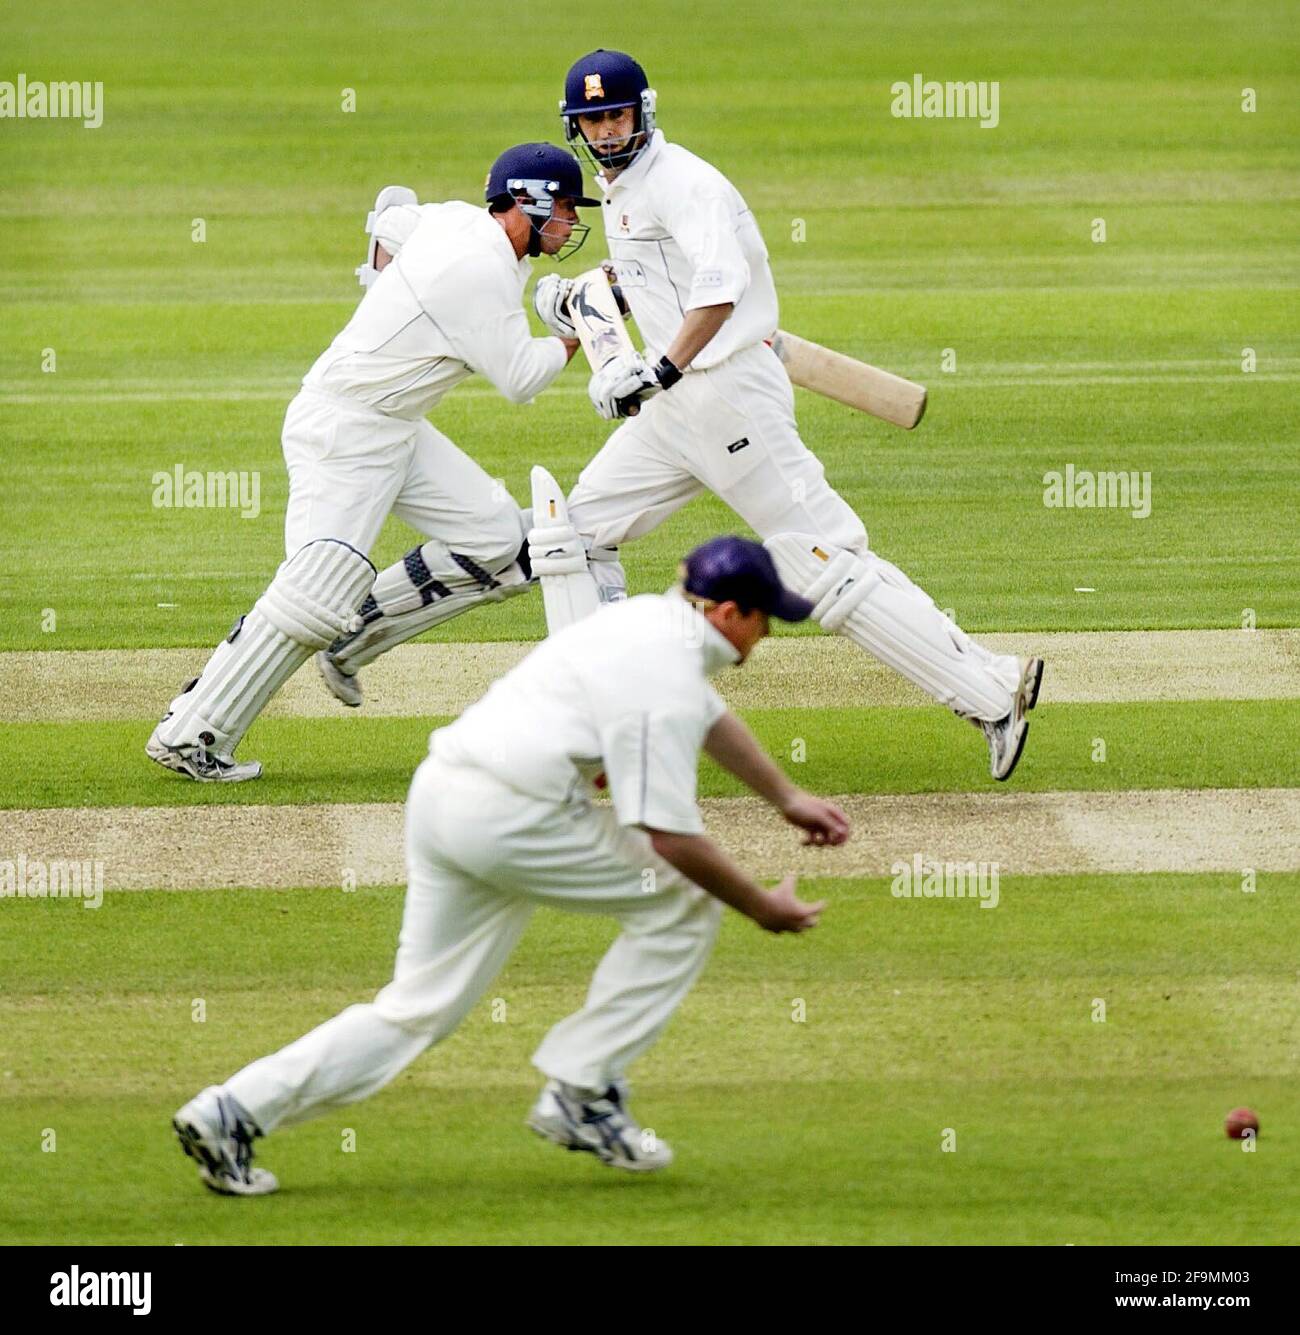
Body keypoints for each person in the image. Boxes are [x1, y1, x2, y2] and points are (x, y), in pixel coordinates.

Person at [173, 536, 849, 1194]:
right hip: (516, 817)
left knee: (415, 1008)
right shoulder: (667, 670)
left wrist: (787, 797)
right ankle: (582, 1088)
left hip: (444, 795)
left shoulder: (649, 618)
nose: (764, 640)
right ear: (729, 612)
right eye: (764, 622)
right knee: (686, 900)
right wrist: (761, 907)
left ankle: (231, 1111)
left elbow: (709, 717)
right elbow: (669, 836)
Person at [540, 50, 1043, 780]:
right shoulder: (620, 191)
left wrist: (662, 365)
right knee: (575, 537)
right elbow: (665, 277)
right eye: (594, 120)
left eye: (617, 114)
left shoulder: (686, 183)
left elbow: (717, 286)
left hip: (722, 393)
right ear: (576, 127)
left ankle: (992, 691)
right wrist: (598, 298)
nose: (608, 131)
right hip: (672, 413)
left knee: (824, 559)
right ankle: (610, 725)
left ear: (643, 112)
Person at [146, 143, 598, 781]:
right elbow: (522, 379)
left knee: (497, 540)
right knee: (316, 587)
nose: (573, 224)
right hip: (345, 429)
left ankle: (354, 638)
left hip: (396, 428)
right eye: (567, 210)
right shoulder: (480, 267)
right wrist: (582, 331)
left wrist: (385, 275)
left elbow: (393, 215)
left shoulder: (455, 220)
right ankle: (192, 733)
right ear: (531, 202)